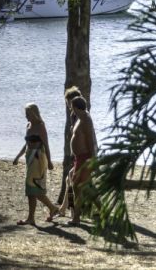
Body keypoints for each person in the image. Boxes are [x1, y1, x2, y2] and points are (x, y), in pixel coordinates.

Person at [13, 103, 59, 226]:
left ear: (34, 114)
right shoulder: (28, 125)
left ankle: (51, 208)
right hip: (29, 158)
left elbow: (46, 145)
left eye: (28, 114)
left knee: (35, 188)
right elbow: (26, 144)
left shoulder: (40, 126)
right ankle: (32, 217)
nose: (26, 116)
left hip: (39, 158)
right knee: (30, 189)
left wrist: (49, 161)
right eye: (25, 114)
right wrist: (17, 157)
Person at [50, 86, 82, 220]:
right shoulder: (75, 115)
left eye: (69, 102)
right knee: (70, 179)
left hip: (83, 154)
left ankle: (72, 213)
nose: (68, 105)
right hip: (79, 154)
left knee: (72, 180)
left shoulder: (79, 115)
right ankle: (65, 209)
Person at [69, 95, 98, 225]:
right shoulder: (80, 118)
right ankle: (103, 212)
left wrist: (92, 160)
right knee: (85, 187)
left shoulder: (86, 118)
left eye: (72, 106)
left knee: (77, 186)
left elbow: (90, 140)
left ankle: (76, 218)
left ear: (76, 107)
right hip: (79, 158)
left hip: (85, 158)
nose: (71, 108)